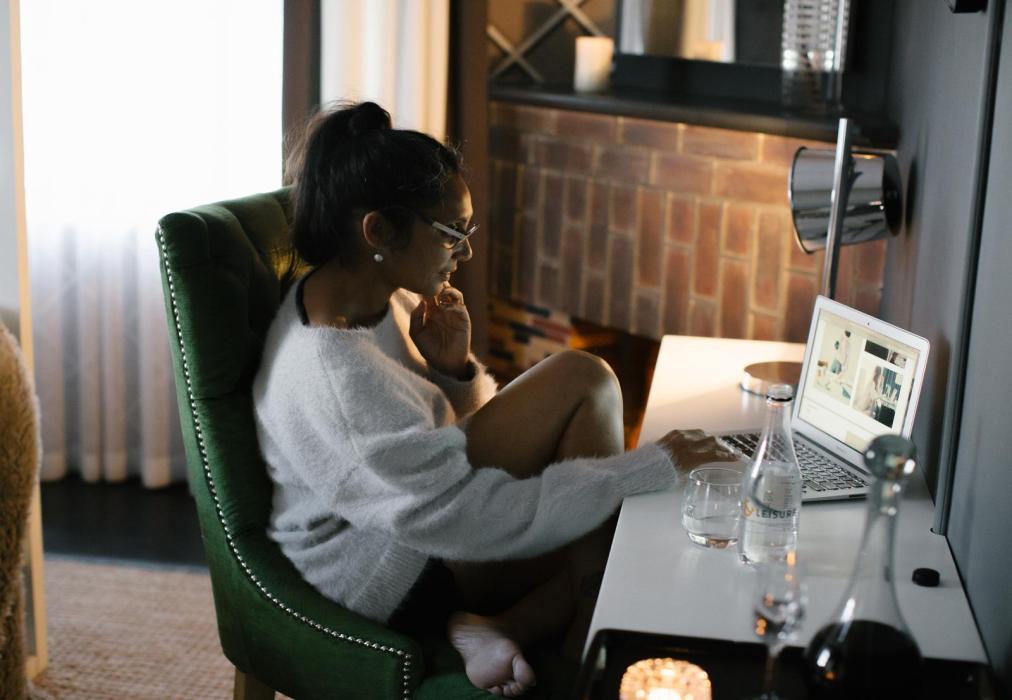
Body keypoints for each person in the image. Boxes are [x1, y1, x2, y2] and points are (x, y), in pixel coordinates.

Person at [252, 101, 736, 697]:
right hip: (374, 569)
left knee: (623, 541)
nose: (465, 253)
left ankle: (507, 627)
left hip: (413, 520)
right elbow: (469, 517)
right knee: (590, 420)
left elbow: (427, 451)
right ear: (378, 231)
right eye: (452, 234)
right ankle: (587, 650)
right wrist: (647, 466)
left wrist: (452, 371)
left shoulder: (370, 293)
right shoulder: (336, 372)